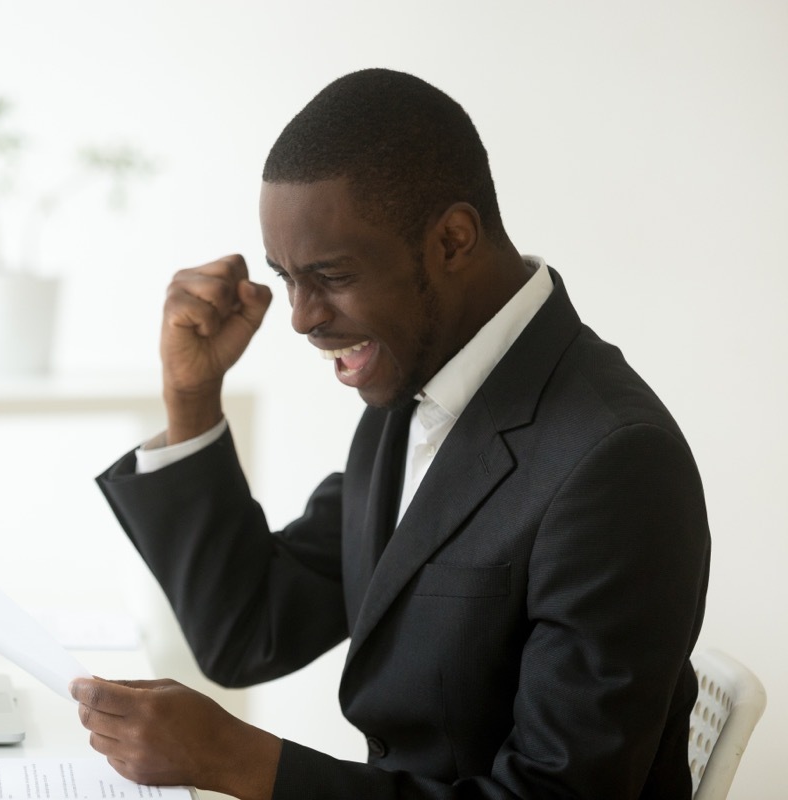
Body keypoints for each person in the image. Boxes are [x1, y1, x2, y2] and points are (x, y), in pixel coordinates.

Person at [70, 68, 711, 799]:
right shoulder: (411, 399)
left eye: (331, 275)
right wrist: (191, 398)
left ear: (453, 239)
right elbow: (249, 631)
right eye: (285, 278)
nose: (302, 317)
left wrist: (242, 763)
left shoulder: (615, 464)